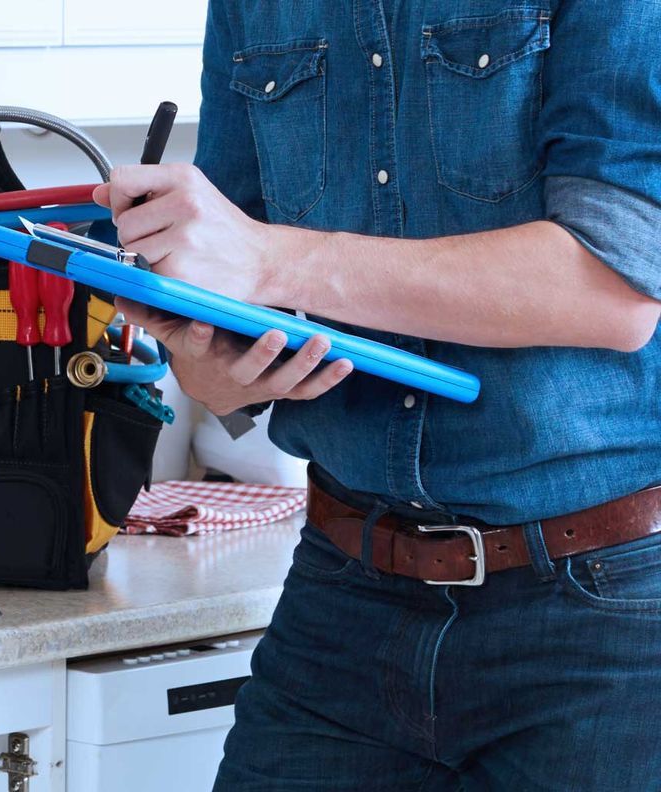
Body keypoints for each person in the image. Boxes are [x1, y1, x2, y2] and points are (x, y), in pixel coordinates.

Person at [93, 2, 661, 789]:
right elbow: (220, 302)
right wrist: (210, 357)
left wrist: (266, 261)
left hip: (603, 618)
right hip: (342, 599)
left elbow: (616, 282)